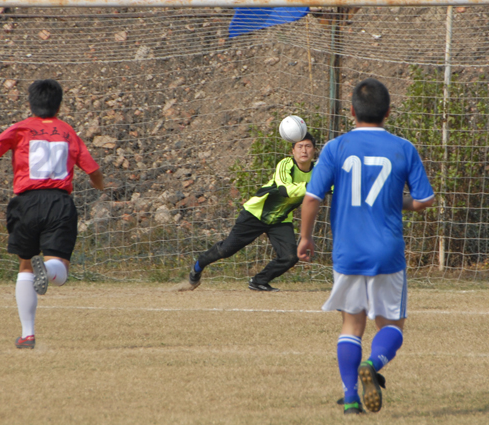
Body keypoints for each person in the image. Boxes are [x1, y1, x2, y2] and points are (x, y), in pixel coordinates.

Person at [297, 78, 434, 414]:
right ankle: (372, 365)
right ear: (388, 112)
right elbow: (423, 200)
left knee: (351, 325)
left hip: (348, 251)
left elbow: (312, 198)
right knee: (392, 327)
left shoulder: (335, 148)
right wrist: (393, 201)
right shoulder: (403, 148)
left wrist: (305, 237)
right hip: (387, 252)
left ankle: (350, 398)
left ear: (351, 111)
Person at [0, 79, 104, 350]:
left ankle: (27, 335)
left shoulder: (20, 128)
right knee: (61, 268)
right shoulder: (67, 132)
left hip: (25, 203)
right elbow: (93, 170)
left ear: (30, 104)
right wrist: (101, 186)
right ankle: (47, 270)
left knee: (25, 266)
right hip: (59, 202)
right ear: (59, 106)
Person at [178, 131, 317, 292]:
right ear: (292, 151)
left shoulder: (318, 171)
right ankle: (198, 265)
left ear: (314, 150)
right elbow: (285, 190)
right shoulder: (286, 164)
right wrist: (317, 186)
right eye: (300, 146)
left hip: (280, 219)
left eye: (308, 146)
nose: (304, 150)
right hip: (255, 214)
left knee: (290, 256)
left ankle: (258, 282)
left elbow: (335, 188)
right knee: (226, 250)